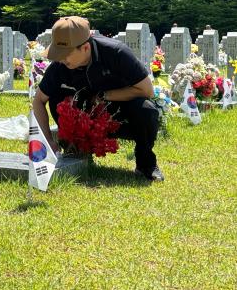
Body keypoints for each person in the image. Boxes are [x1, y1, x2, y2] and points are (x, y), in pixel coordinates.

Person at [32, 16, 164, 182]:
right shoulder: (60, 66)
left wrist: (104, 96)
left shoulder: (116, 53)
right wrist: (48, 141)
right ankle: (76, 148)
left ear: (85, 47)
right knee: (57, 100)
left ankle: (146, 164)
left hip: (119, 111)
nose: (61, 59)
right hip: (85, 113)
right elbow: (38, 101)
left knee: (146, 110)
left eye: (66, 54)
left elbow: (147, 90)